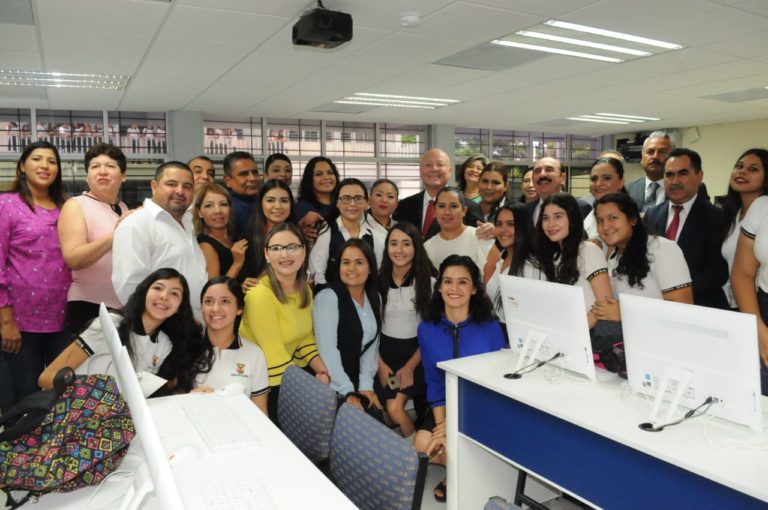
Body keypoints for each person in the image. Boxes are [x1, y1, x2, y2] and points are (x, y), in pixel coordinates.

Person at [415, 255, 505, 503]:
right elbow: (433, 381)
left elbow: (498, 383)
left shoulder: (491, 327)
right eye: (448, 282)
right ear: (440, 286)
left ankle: (455, 476)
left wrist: (460, 419)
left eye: (462, 282)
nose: (454, 289)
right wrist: (443, 427)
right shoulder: (426, 328)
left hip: (480, 406)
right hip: (443, 406)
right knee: (423, 442)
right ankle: (459, 474)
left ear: (474, 289)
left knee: (460, 445)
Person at [39, 268, 210, 395]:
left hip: (113, 424)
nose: (164, 296)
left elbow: (146, 395)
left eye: (174, 294)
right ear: (143, 293)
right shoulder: (108, 325)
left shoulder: (164, 344)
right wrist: (95, 395)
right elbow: (47, 377)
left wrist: (190, 395)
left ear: (180, 307)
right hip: (68, 414)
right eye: (158, 288)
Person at [0, 141, 71, 408]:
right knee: (24, 392)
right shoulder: (6, 204)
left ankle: (52, 446)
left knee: (60, 392)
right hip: (20, 320)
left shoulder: (67, 207)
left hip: (63, 317)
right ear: (22, 165)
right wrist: (6, 321)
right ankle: (20, 448)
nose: (45, 166)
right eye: (37, 159)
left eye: (52, 161)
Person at [239, 223, 330, 424]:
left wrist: (323, 371)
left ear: (304, 251)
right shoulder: (259, 296)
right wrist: (313, 389)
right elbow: (274, 357)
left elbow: (304, 337)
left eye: (292, 247)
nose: (285, 255)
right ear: (266, 254)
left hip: (286, 378)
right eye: (277, 248)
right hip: (259, 386)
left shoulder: (304, 289)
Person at [112, 161, 208, 322]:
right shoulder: (135, 224)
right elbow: (129, 287)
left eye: (187, 186)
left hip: (194, 326)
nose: (179, 191)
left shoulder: (187, 221)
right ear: (154, 186)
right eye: (171, 184)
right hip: (162, 328)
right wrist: (166, 323)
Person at [58, 143, 130, 335]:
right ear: (87, 176)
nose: (102, 171)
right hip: (88, 305)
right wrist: (115, 236)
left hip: (124, 306)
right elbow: (73, 258)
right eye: (95, 166)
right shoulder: (76, 205)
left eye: (110, 166)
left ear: (123, 176)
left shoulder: (123, 208)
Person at [644, 148, 729, 309]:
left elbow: (718, 271)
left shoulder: (718, 217)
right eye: (669, 175)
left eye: (683, 173)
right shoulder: (652, 215)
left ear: (699, 176)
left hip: (702, 307)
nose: (675, 181)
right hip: (657, 307)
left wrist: (675, 292)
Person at [591, 193, 693, 327]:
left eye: (613, 218)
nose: (605, 227)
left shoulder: (662, 249)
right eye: (600, 220)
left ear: (632, 219)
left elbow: (683, 309)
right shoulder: (614, 256)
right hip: (627, 341)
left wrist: (625, 312)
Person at [376, 223, 433, 438]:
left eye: (406, 244)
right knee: (386, 415)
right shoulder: (376, 281)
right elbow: (371, 329)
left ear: (416, 247)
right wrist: (379, 364)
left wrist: (409, 367)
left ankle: (414, 462)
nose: (399, 250)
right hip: (384, 355)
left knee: (395, 409)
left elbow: (430, 333)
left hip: (415, 356)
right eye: (393, 244)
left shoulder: (428, 283)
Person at [314, 239, 383, 417]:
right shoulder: (328, 297)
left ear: (370, 268)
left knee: (376, 414)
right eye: (346, 262)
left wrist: (365, 386)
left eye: (359, 262)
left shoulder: (374, 297)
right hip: (331, 381)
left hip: (357, 377)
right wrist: (348, 392)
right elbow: (327, 350)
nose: (351, 268)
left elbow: (371, 347)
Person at [530, 193, 613, 329]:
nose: (550, 224)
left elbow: (605, 302)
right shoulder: (555, 256)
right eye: (545, 218)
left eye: (558, 216)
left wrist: (576, 332)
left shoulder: (588, 250)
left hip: (588, 337)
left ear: (572, 218)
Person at [193, 276, 269, 414]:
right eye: (209, 301)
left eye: (225, 301)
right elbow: (170, 401)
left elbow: (260, 412)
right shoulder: (186, 347)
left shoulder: (254, 354)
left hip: (239, 432)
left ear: (239, 309)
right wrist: (189, 397)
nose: (215, 308)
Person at [393, 148, 486, 240]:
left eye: (440, 165)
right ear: (420, 170)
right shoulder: (403, 207)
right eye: (428, 165)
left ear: (449, 171)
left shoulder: (470, 207)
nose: (434, 169)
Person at [719, 149, 768, 309]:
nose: (742, 171)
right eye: (739, 166)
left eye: (753, 169)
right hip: (733, 303)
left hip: (758, 304)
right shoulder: (730, 216)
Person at [308, 178, 373, 290]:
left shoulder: (372, 232)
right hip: (331, 298)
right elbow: (317, 275)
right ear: (337, 202)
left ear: (367, 203)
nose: (352, 203)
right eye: (346, 198)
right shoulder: (326, 229)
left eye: (358, 198)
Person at [484, 203, 535, 324]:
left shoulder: (531, 266)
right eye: (499, 224)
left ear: (524, 227)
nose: (503, 230)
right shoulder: (502, 258)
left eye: (511, 224)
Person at [240, 179, 296, 289]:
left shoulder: (298, 235)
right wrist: (243, 284)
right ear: (261, 204)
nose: (278, 206)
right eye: (270, 200)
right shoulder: (248, 238)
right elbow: (242, 278)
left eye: (284, 201)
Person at [424, 187, 494, 271]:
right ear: (435, 210)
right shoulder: (427, 247)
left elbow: (494, 278)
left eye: (453, 206)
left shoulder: (481, 237)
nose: (447, 212)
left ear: (464, 210)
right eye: (441, 206)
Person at [193, 182, 248, 280]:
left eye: (223, 204)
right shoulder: (205, 245)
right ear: (199, 212)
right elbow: (214, 290)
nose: (218, 211)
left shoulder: (235, 237)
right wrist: (237, 264)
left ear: (230, 209)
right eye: (209, 206)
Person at [526, 156, 592, 225]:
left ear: (562, 178)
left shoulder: (580, 208)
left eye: (549, 170)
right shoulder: (526, 210)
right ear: (533, 180)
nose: (542, 174)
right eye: (538, 171)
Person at [295, 156, 339, 243]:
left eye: (330, 172)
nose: (326, 177)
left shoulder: (344, 203)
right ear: (309, 179)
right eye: (319, 174)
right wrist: (299, 230)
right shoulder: (301, 208)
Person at [626, 131, 673, 212]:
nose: (655, 156)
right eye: (650, 152)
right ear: (642, 157)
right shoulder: (628, 190)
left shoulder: (683, 189)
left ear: (672, 157)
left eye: (662, 152)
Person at [583, 157, 626, 238]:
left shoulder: (627, 215)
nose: (598, 183)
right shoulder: (591, 212)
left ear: (621, 182)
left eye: (607, 178)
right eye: (594, 179)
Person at [222, 151, 260, 238]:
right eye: (243, 174)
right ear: (228, 181)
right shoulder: (227, 209)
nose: (252, 178)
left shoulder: (263, 200)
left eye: (254, 172)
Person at [364, 178, 399, 266]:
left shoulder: (399, 228)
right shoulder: (358, 225)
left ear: (396, 204)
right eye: (379, 195)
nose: (384, 200)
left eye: (390, 196)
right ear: (369, 199)